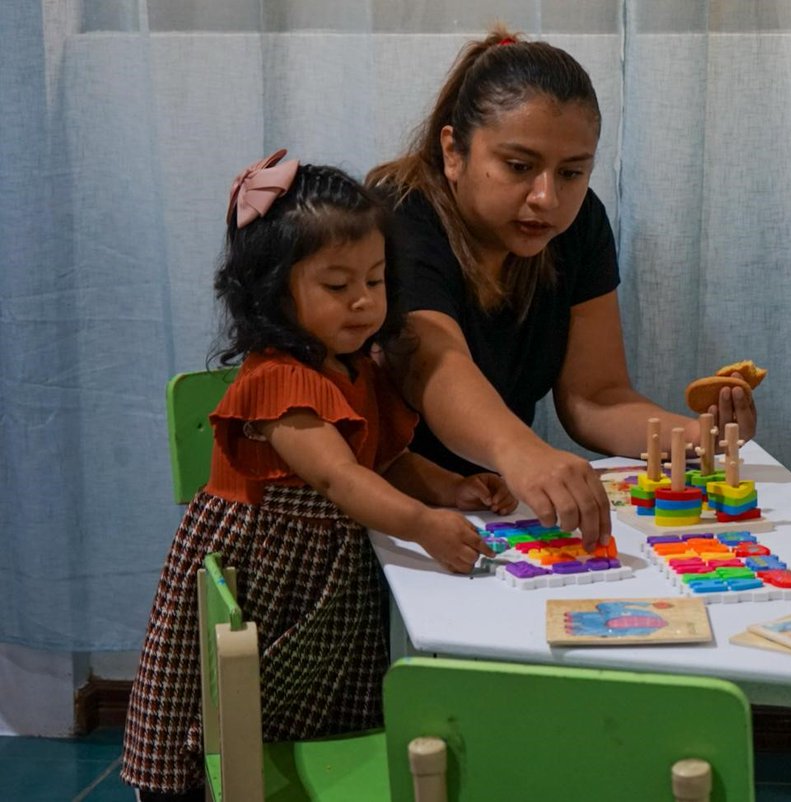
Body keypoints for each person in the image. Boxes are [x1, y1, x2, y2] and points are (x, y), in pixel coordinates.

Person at [121, 150, 515, 801]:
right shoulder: (277, 380)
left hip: (322, 579)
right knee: (230, 710)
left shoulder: (360, 366)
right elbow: (339, 478)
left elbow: (381, 456)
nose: (363, 302)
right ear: (275, 291)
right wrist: (422, 524)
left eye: (377, 280)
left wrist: (449, 488)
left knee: (323, 707)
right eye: (337, 286)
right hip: (265, 574)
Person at [367, 26, 758, 551]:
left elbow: (594, 397)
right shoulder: (397, 216)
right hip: (384, 513)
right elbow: (434, 365)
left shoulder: (580, 226)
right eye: (518, 166)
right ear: (453, 152)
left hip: (491, 510)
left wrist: (693, 438)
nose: (547, 198)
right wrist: (523, 453)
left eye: (572, 173)